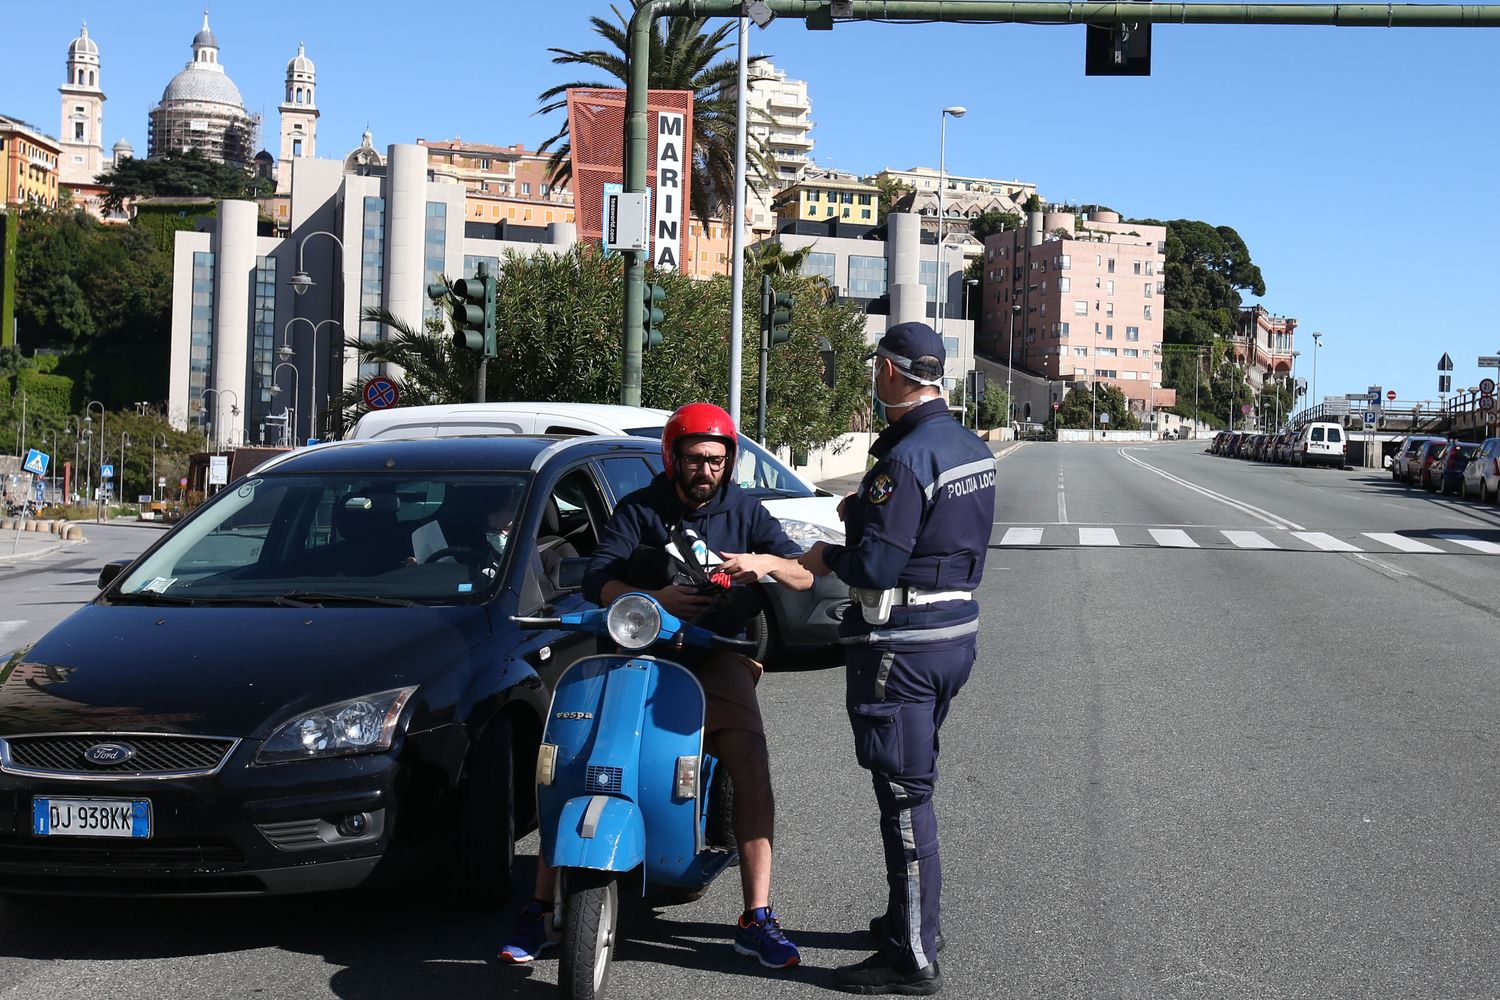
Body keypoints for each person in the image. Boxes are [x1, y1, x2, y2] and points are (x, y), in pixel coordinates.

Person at [499, 402, 813, 970]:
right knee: (570, 757)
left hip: (717, 655)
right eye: (695, 459)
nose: (706, 471)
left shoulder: (746, 512)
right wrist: (647, 599)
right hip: (637, 648)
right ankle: (540, 904)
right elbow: (597, 577)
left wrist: (762, 562)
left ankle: (757, 916)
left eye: (718, 460)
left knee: (749, 759)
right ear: (673, 457)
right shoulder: (639, 509)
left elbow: (804, 572)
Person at [800, 322, 997, 996]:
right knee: (914, 780)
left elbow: (878, 566)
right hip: (954, 634)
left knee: (905, 798)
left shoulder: (903, 460)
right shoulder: (970, 446)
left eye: (875, 368)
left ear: (890, 372)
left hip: (902, 644)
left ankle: (913, 956)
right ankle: (904, 921)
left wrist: (828, 554)